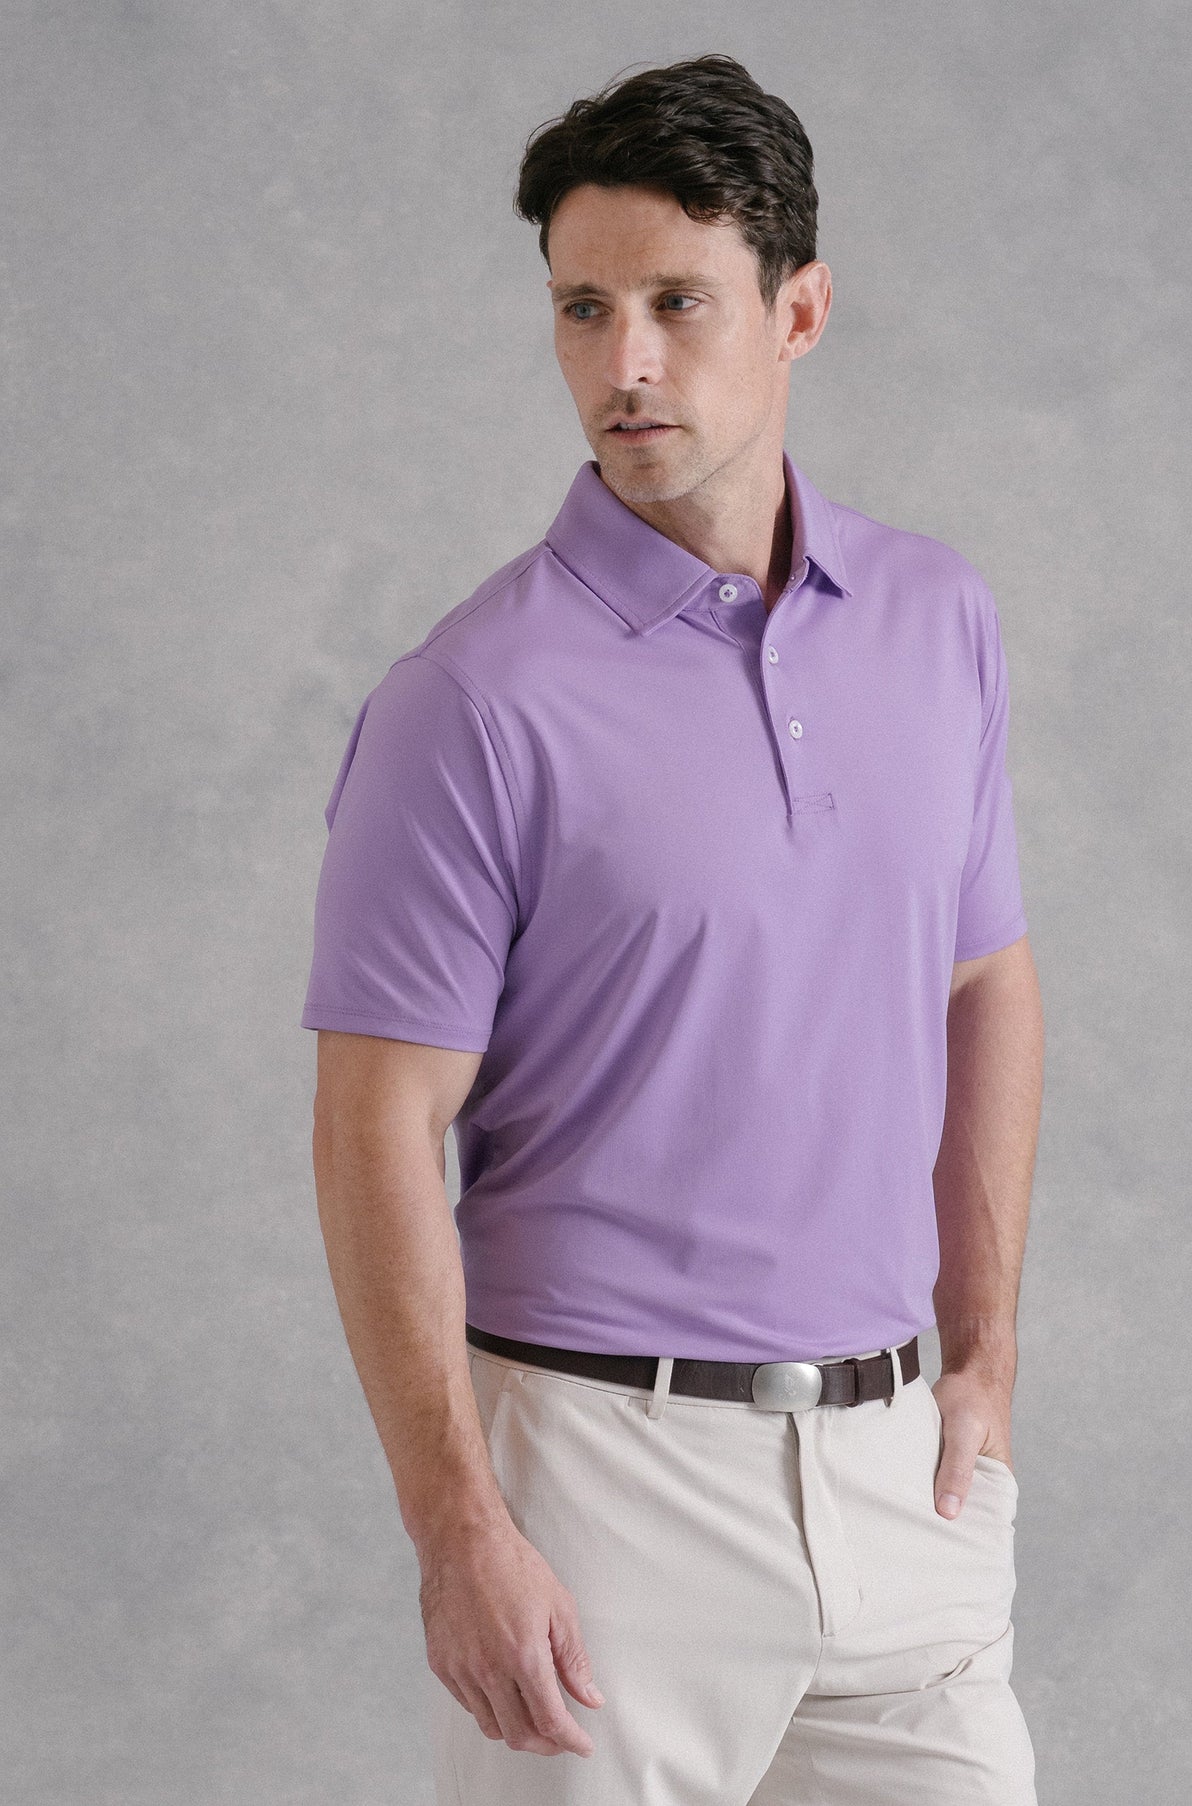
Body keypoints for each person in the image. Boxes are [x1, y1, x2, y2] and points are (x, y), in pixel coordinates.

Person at [302, 51, 1044, 1806]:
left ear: (799, 312)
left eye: (674, 303)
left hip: (900, 1476)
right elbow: (376, 1125)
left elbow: (983, 976)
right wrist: (458, 1528)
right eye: (582, 308)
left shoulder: (934, 616)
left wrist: (984, 1349)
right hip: (602, 1482)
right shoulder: (470, 702)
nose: (621, 362)